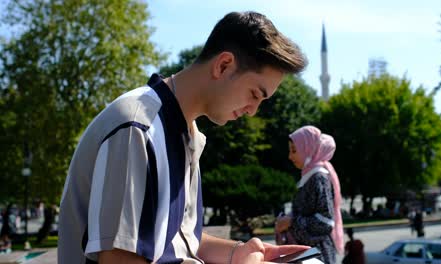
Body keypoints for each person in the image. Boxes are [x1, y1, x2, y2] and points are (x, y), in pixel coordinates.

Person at [58, 11, 310, 264]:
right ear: (223, 65)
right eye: (255, 94)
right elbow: (119, 259)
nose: (253, 110)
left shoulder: (187, 133)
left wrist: (238, 253)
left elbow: (179, 240)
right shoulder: (138, 127)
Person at [275, 125, 344, 264]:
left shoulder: (318, 177)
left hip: (316, 257)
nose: (290, 156)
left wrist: (291, 222)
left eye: (294, 150)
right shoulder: (309, 176)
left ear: (309, 149)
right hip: (308, 255)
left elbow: (325, 222)